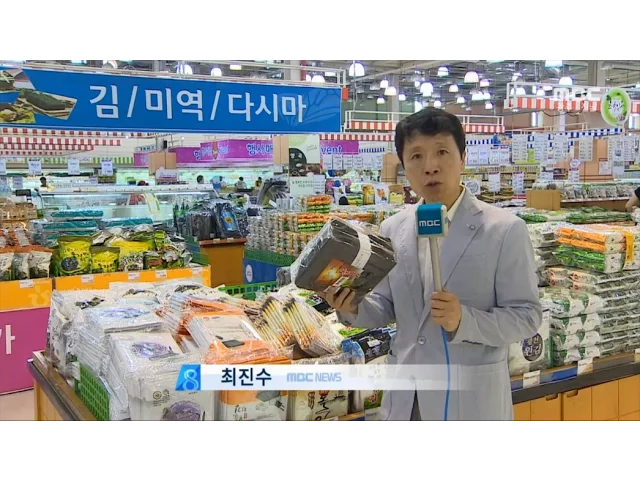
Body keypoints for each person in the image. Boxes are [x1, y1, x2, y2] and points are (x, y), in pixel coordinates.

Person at [323, 108, 542, 421]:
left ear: (462, 158)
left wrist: (464, 319)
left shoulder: (504, 229)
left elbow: (527, 316)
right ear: (404, 166)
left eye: (442, 152)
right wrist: (352, 305)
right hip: (406, 400)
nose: (430, 167)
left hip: (470, 402)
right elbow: (386, 306)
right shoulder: (393, 228)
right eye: (416, 156)